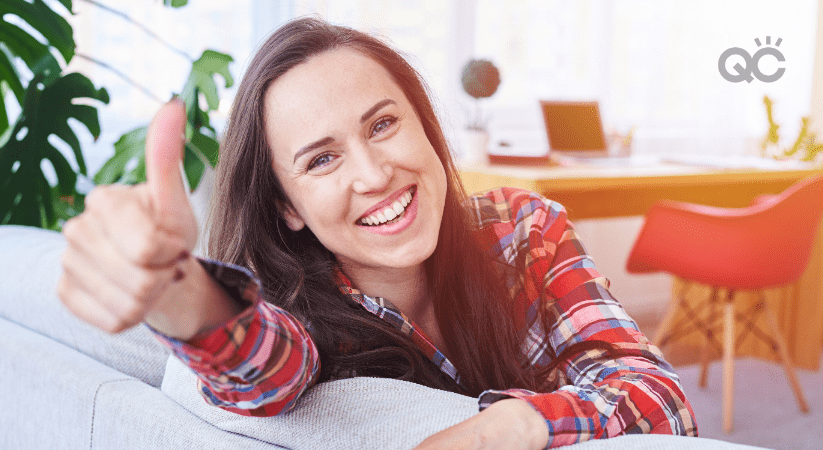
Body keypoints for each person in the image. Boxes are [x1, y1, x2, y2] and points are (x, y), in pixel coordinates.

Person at [57, 17, 698, 450]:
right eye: (321, 159)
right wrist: (184, 299)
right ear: (289, 208)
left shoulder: (523, 230)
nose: (374, 173)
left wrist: (508, 427)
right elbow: (265, 371)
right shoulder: (298, 305)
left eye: (383, 125)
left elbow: (662, 399)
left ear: (424, 124)